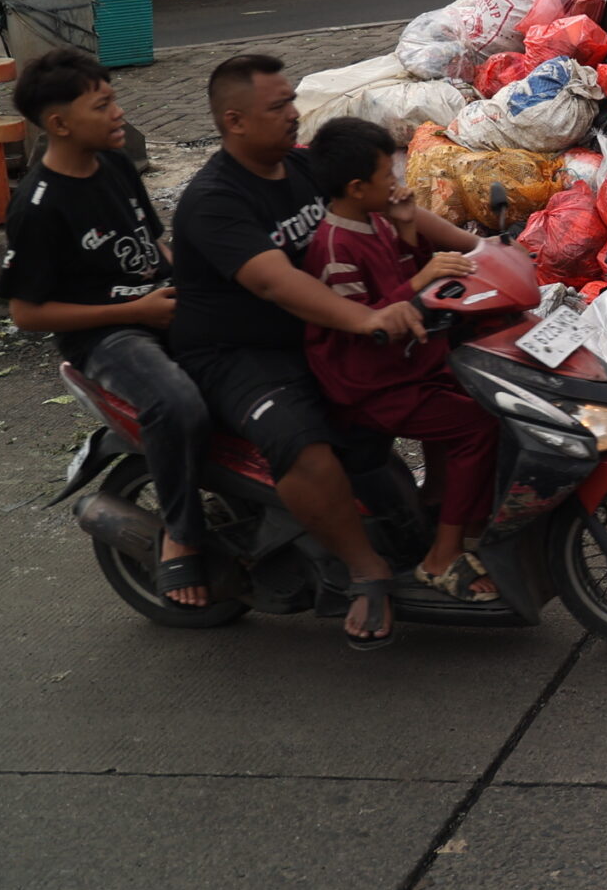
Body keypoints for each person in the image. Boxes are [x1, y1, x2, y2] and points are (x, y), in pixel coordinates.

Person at [171, 53, 429, 649]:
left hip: (312, 334)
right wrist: (367, 319)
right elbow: (272, 282)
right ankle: (365, 572)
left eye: (292, 102)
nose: (294, 115)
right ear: (234, 121)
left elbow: (390, 206)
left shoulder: (304, 166)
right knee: (305, 446)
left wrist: (485, 249)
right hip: (237, 356)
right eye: (278, 107)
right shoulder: (214, 200)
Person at [1, 49, 212, 607]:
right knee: (178, 403)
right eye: (104, 104)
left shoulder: (115, 163)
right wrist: (134, 312)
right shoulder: (38, 207)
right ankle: (182, 537)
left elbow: (152, 243)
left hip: (161, 305)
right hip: (109, 338)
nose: (119, 112)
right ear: (59, 124)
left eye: (114, 98)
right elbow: (26, 313)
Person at [300, 118, 500, 602]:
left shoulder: (378, 220)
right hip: (371, 383)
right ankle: (443, 555)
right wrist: (418, 277)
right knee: (477, 426)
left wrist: (410, 228)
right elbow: (366, 323)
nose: (396, 182)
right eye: (388, 174)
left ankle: (441, 507)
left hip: (410, 361)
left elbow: (406, 273)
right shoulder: (334, 248)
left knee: (487, 389)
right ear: (356, 187)